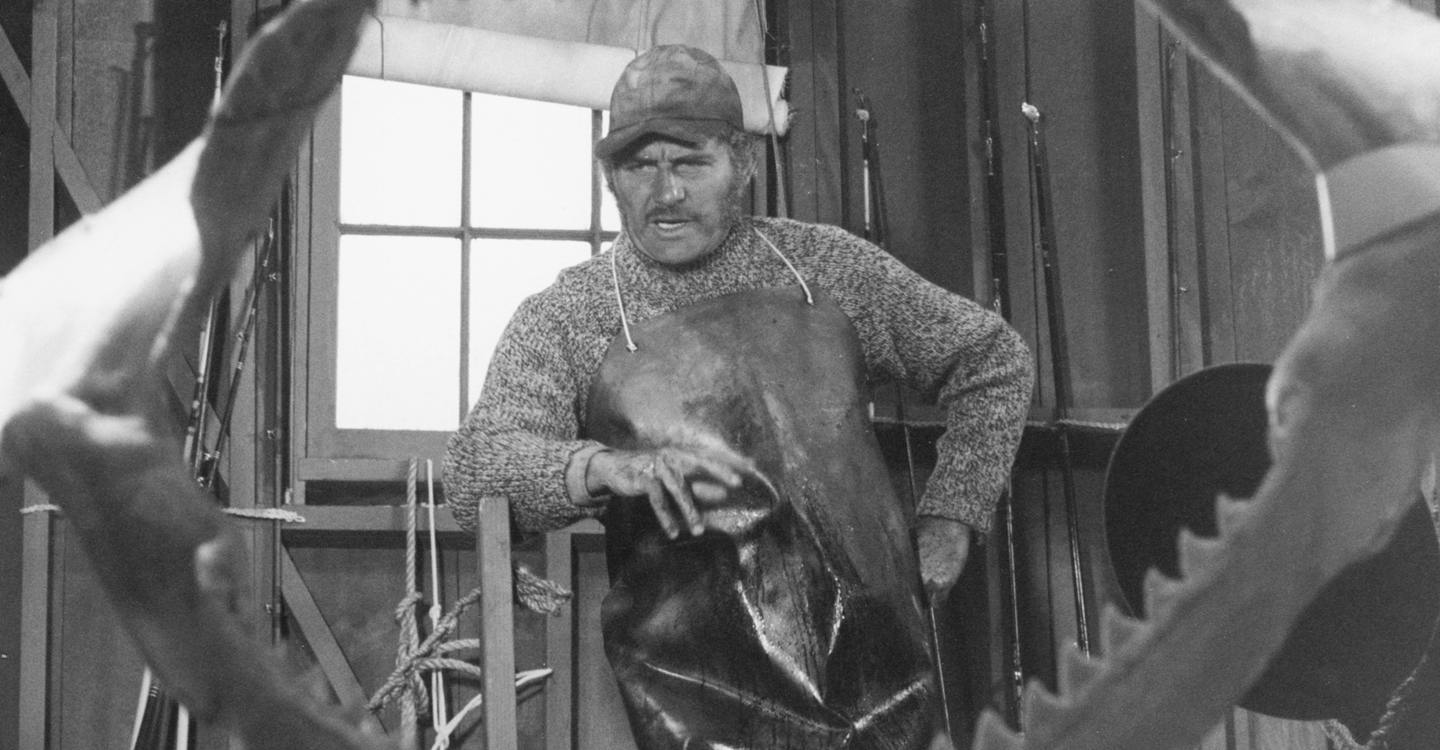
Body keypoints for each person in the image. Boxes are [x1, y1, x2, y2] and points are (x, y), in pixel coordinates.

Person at [443, 44, 1031, 750]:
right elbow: (474, 471)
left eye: (691, 163)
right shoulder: (571, 316)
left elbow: (992, 359)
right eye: (640, 166)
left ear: (742, 162)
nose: (666, 193)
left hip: (882, 679)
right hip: (698, 703)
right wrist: (595, 467)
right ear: (610, 179)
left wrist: (954, 512)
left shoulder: (826, 268)